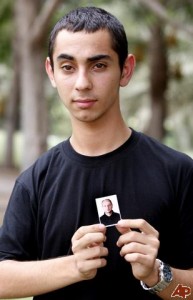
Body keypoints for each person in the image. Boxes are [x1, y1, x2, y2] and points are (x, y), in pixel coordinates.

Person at [0, 6, 193, 300]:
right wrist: (74, 267)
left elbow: (189, 294)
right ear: (51, 72)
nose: (82, 83)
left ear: (125, 70)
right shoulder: (35, 181)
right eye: (68, 67)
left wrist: (157, 275)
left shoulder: (178, 172)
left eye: (98, 65)